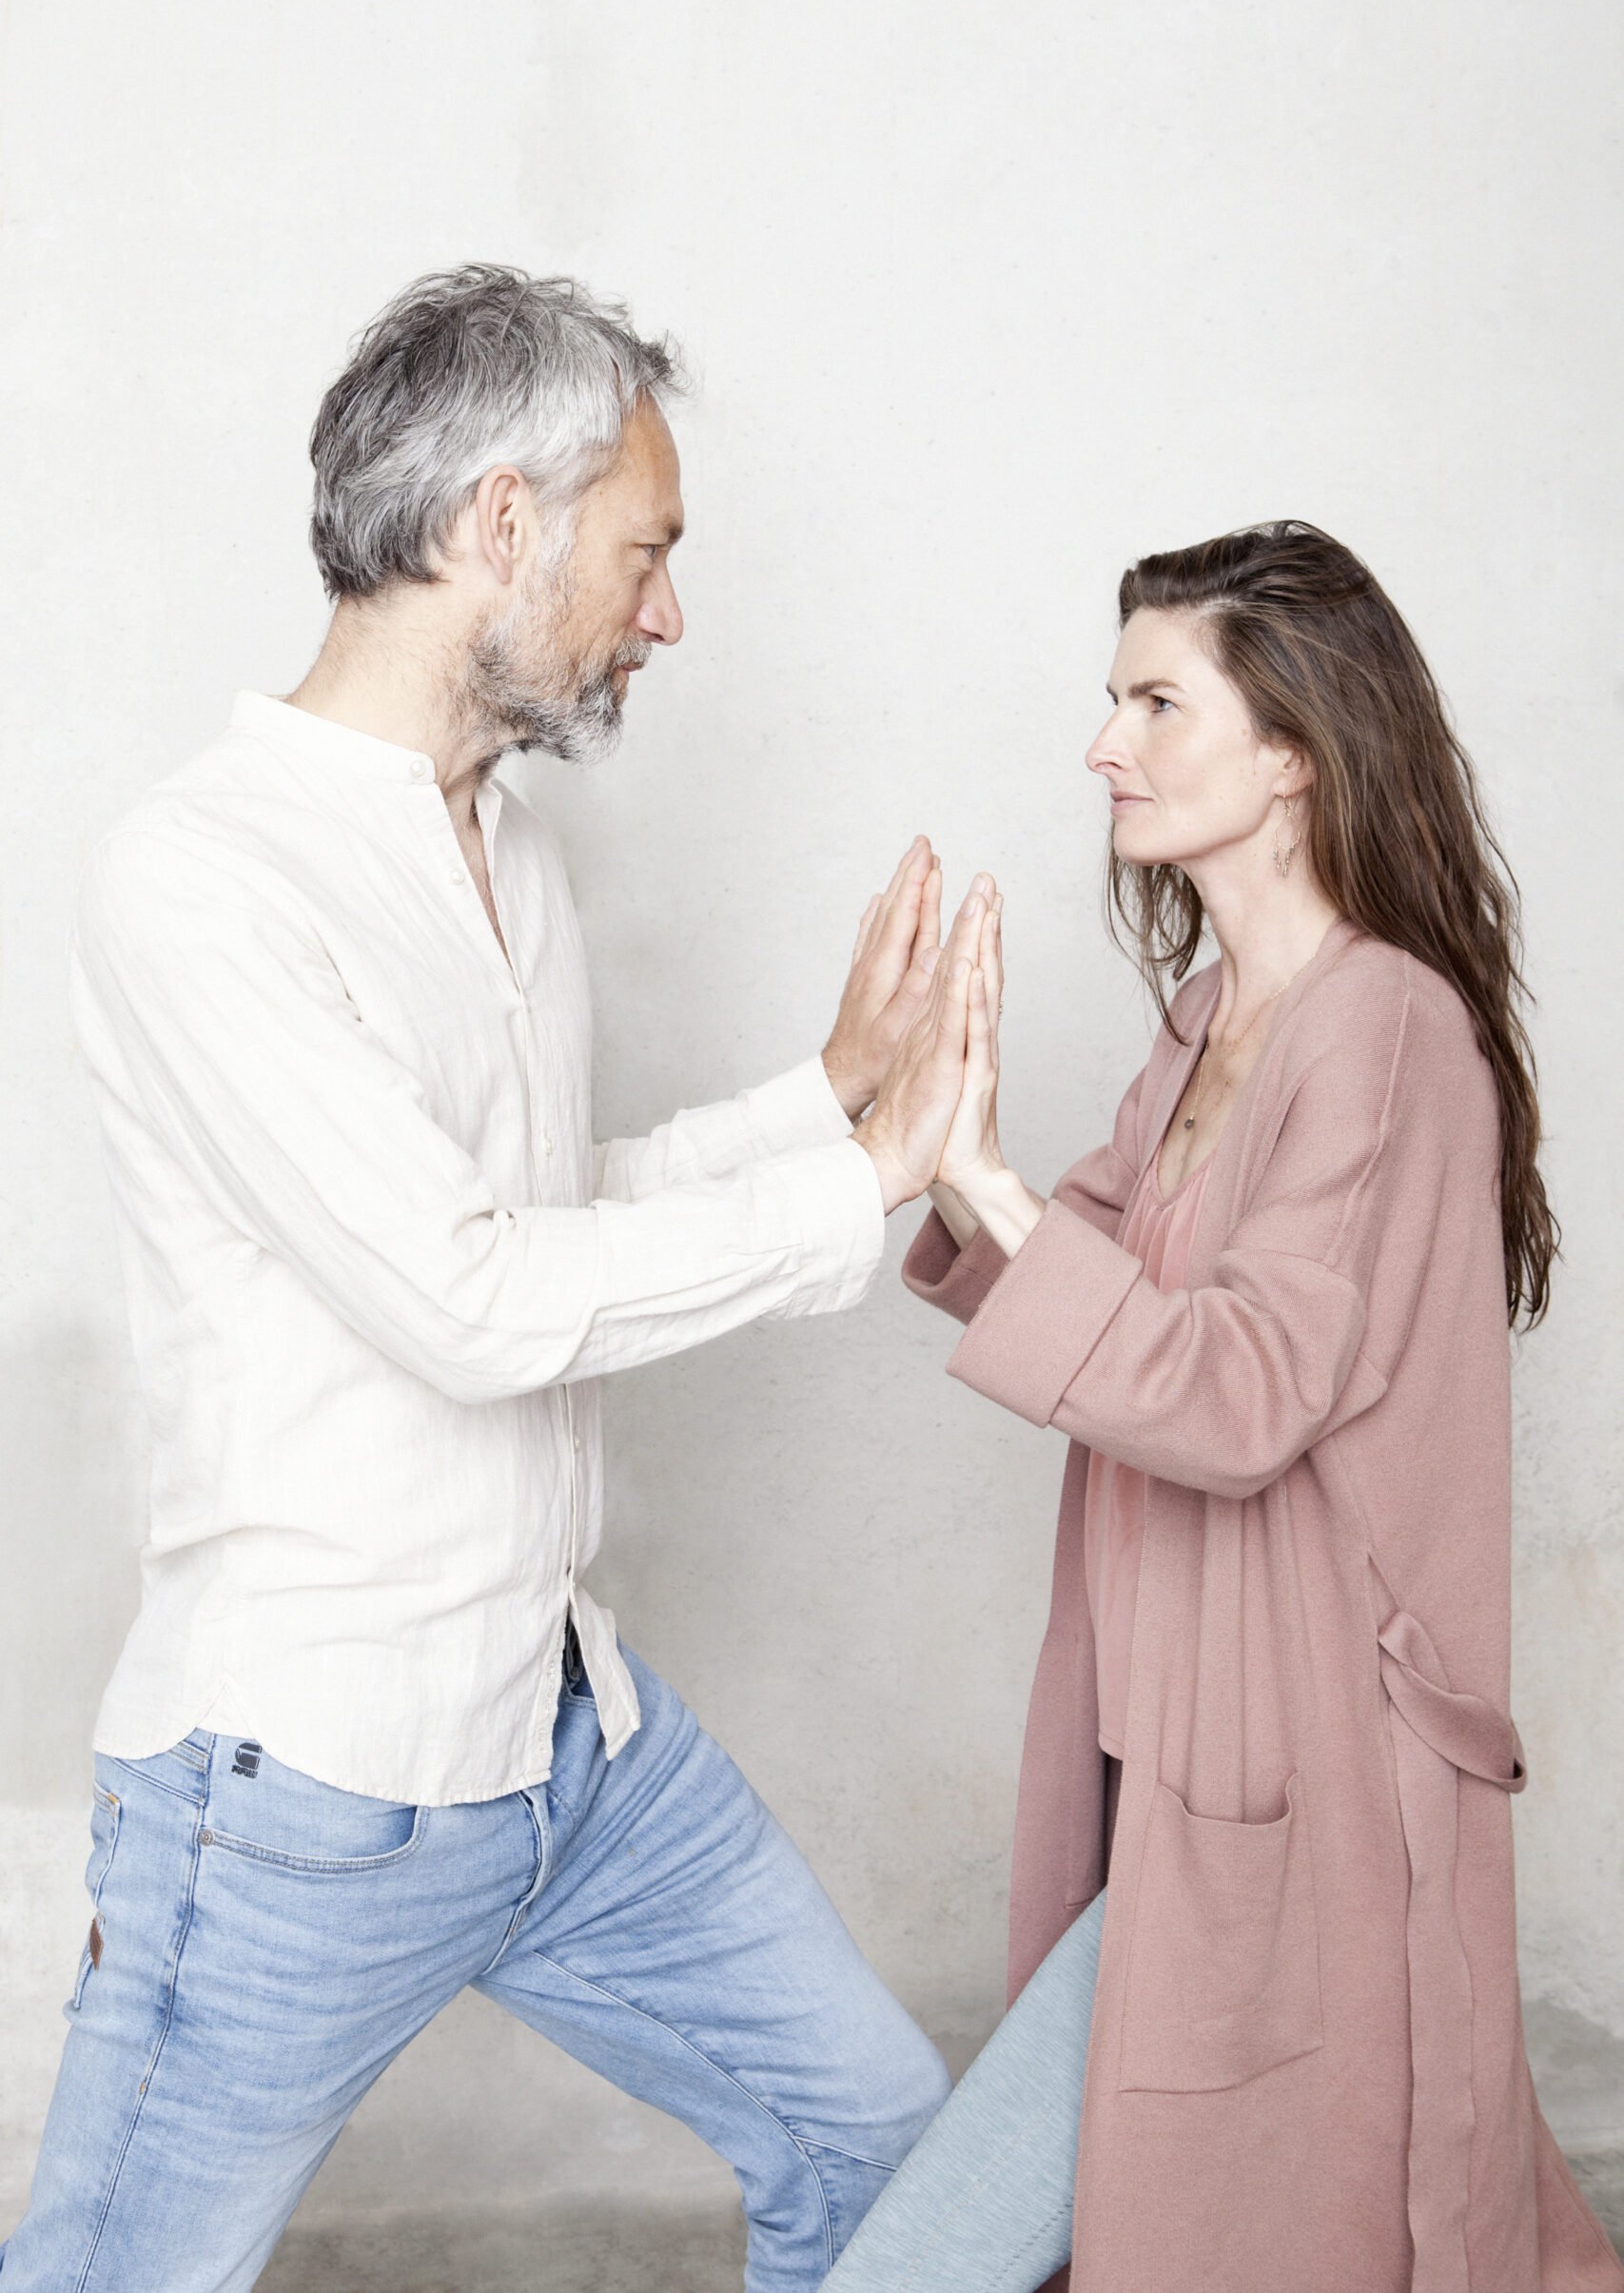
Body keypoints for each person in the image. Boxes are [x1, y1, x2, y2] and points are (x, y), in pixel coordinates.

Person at [1, 265, 956, 2293]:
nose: (666, 616)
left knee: (873, 2136)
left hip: (565, 1740)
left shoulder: (511, 851)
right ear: (500, 524)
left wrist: (822, 1104)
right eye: (647, 551)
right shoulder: (201, 880)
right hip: (303, 1796)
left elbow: (538, 1208)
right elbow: (467, 1297)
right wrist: (851, 1196)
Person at [832, 523, 1624, 2293]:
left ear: (1292, 752)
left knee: (1023, 2242)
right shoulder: (1208, 1020)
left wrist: (981, 1174)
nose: (1102, 745)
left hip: (1306, 1770)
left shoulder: (1383, 1032)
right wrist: (925, 1149)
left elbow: (1240, 1391)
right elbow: (1096, 1273)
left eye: (1154, 704)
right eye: (1112, 702)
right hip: (1164, 1740)